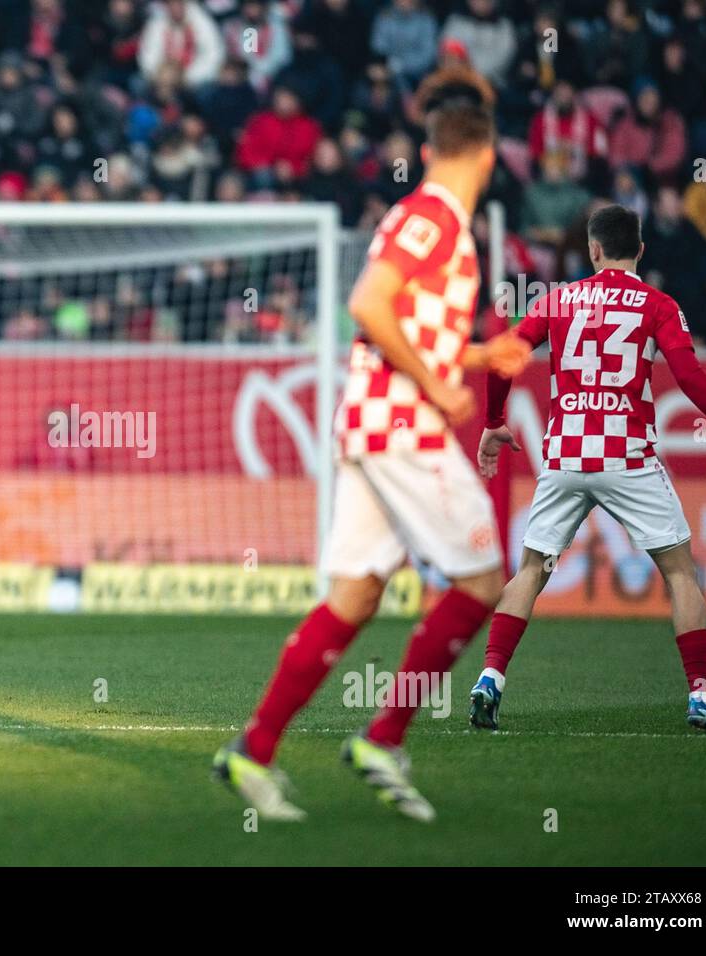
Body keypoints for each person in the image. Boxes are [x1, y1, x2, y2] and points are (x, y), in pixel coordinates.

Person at [213, 66, 531, 823]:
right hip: (401, 424)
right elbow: (368, 304)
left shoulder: (421, 215)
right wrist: (445, 384)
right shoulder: (436, 219)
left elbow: (413, 322)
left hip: (368, 422)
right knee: (486, 580)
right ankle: (385, 735)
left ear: (430, 150)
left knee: (355, 595)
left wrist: (481, 359)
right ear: (488, 158)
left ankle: (253, 752)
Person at [471, 203, 706, 736]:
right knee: (679, 573)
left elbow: (505, 353)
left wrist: (493, 420)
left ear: (593, 250)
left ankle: (489, 679)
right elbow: (689, 375)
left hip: (565, 454)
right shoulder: (658, 304)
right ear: (640, 250)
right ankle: (699, 696)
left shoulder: (558, 299)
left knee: (531, 569)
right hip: (628, 455)